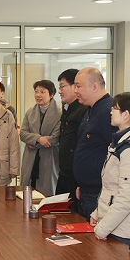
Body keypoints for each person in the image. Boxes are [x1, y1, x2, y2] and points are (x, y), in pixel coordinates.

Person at [89, 92, 130, 245]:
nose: (111, 111)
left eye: (115, 108)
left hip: (122, 231)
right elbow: (111, 187)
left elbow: (127, 198)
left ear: (126, 115)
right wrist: (98, 213)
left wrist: (103, 228)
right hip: (112, 225)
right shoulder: (121, 141)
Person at [73, 67, 115, 219]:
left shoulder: (109, 112)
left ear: (95, 87)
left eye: (78, 86)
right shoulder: (91, 109)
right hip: (87, 190)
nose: (75, 90)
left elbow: (115, 155)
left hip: (99, 193)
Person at [20, 80, 61, 197]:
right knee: (28, 192)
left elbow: (55, 138)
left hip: (49, 157)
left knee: (46, 193)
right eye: (36, 91)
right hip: (30, 158)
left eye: (42, 92)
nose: (38, 95)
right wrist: (39, 139)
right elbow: (23, 134)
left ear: (51, 94)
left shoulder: (60, 113)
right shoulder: (30, 112)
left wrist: (32, 142)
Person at [55, 69, 87, 208]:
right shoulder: (67, 109)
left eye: (62, 86)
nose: (60, 91)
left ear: (75, 86)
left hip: (75, 177)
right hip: (65, 172)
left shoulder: (83, 111)